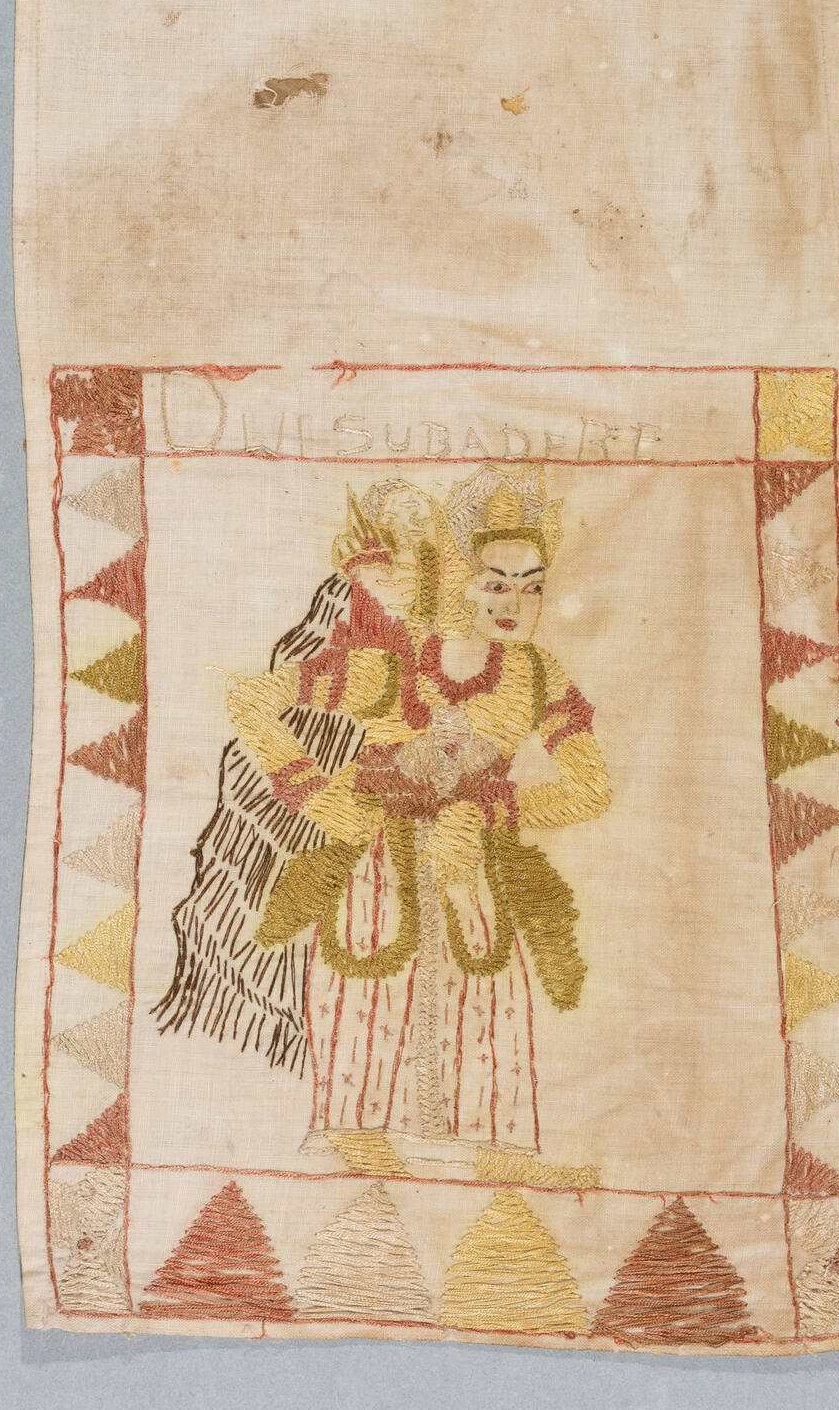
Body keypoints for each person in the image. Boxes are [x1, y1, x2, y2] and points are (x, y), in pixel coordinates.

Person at [242, 465, 610, 1167]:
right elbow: (251, 701)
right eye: (495, 584)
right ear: (457, 577)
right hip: (380, 864)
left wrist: (495, 808)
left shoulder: (537, 676)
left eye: (533, 587)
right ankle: (354, 1139)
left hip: (473, 866)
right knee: (370, 993)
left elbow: (590, 788)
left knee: (485, 995)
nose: (516, 604)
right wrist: (314, 793)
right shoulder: (391, 666)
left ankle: (493, 1151)